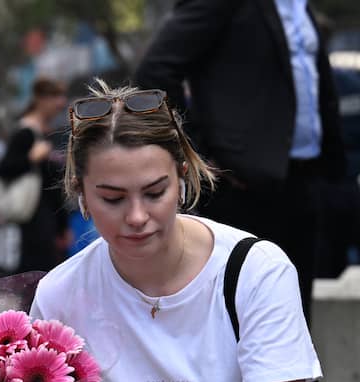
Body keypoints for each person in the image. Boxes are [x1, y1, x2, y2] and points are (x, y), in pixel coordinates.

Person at [0, 83, 322, 382]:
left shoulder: (257, 271)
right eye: (112, 198)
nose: (137, 216)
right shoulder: (63, 292)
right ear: (82, 194)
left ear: (182, 177)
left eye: (154, 192)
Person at [134, 0, 346, 320]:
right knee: (237, 325)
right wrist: (203, 155)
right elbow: (155, 71)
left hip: (304, 179)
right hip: (241, 187)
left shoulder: (298, 6)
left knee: (295, 322)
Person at [0, 77, 72, 271]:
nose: (60, 103)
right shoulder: (26, 132)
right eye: (54, 96)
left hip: (52, 216)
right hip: (34, 214)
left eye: (62, 96)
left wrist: (63, 225)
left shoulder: (51, 132)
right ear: (40, 99)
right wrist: (31, 159)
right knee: (36, 266)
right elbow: (4, 169)